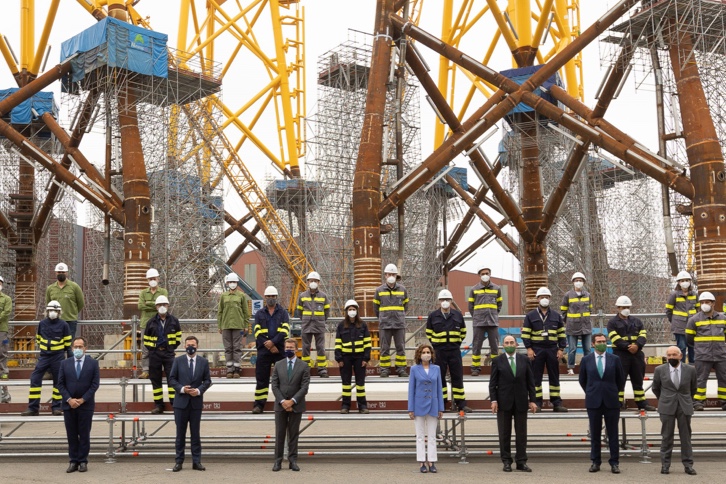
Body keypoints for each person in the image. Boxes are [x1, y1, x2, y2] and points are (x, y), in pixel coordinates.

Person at [579, 333, 626, 474]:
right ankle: (595, 461)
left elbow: (620, 379)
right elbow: (582, 380)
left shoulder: (615, 359)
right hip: (594, 401)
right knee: (595, 433)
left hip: (611, 401)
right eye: (599, 341)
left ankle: (614, 462)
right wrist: (592, 391)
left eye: (604, 341)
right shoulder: (586, 360)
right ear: (593, 344)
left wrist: (613, 392)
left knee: (613, 433)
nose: (602, 343)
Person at [489, 335, 537, 472]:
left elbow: (531, 382)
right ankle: (506, 461)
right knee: (504, 433)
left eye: (511, 342)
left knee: (521, 433)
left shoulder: (525, 360)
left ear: (516, 344)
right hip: (503, 402)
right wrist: (493, 400)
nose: (509, 344)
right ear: (503, 345)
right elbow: (492, 384)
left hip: (521, 401)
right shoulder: (497, 361)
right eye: (506, 343)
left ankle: (521, 461)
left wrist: (532, 400)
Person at [168, 335, 212, 472]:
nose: (190, 347)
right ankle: (179, 461)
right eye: (188, 345)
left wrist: (198, 391)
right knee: (180, 434)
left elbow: (207, 381)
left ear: (197, 346)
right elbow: (172, 379)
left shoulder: (203, 362)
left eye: (193, 345)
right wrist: (182, 389)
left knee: (195, 434)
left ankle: (196, 461)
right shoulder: (178, 361)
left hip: (195, 404)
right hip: (180, 403)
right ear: (184, 346)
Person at [56, 336, 100, 473]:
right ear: (72, 348)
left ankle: (83, 461)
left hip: (86, 405)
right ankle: (73, 461)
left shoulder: (93, 363)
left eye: (81, 347)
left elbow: (95, 384)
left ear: (85, 348)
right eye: (76, 347)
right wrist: (69, 399)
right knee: (72, 434)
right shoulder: (65, 363)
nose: (78, 349)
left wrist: (82, 399)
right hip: (69, 405)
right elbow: (60, 384)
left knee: (84, 434)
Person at [652, 346, 698, 475]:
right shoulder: (659, 370)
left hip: (684, 406)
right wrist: (664, 399)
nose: (671, 357)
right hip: (666, 406)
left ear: (680, 356)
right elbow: (656, 388)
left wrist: (686, 400)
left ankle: (688, 465)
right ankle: (665, 465)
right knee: (667, 437)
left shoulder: (690, 370)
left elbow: (693, 388)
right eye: (669, 355)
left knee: (686, 437)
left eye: (674, 355)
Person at [21, 300, 71, 416]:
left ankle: (56, 407)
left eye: (55, 310)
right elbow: (38, 338)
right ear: (47, 311)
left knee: (58, 382)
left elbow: (67, 344)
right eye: (50, 310)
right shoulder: (42, 323)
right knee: (35, 379)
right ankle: (33, 408)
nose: (53, 312)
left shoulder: (64, 325)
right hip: (44, 356)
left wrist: (68, 359)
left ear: (59, 312)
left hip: (58, 357)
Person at [522, 287, 568, 412]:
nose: (544, 299)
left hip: (552, 349)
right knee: (536, 377)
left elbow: (562, 334)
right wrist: (529, 349)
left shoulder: (556, 316)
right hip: (537, 349)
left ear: (550, 299)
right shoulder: (530, 316)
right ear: (537, 299)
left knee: (554, 377)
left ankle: (556, 403)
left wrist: (561, 349)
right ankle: (537, 403)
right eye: (542, 297)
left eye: (546, 297)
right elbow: (526, 334)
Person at [607, 295, 656, 411]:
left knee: (638, 380)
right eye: (623, 307)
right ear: (618, 308)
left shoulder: (637, 321)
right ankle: (618, 403)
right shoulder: (612, 322)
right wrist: (628, 347)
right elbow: (614, 338)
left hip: (637, 355)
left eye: (627, 306)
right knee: (619, 380)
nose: (626, 309)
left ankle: (641, 403)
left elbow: (643, 335)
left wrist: (637, 346)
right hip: (620, 355)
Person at [426, 289, 471, 413]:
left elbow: (463, 332)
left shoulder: (457, 315)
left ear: (451, 301)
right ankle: (442, 404)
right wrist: (436, 344)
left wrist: (455, 343)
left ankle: (461, 404)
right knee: (439, 378)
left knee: (457, 377)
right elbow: (429, 333)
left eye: (447, 300)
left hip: (454, 350)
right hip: (439, 351)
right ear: (439, 301)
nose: (445, 302)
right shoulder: (433, 316)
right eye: (442, 300)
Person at [271, 338, 310, 472]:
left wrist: (292, 401)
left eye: (291, 348)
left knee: (293, 435)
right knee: (280, 434)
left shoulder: (304, 366)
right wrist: (283, 401)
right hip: (280, 405)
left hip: (296, 405)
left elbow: (304, 387)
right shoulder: (278, 365)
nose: (289, 350)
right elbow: (274, 385)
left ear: (296, 349)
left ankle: (293, 460)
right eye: (287, 347)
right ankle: (277, 461)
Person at [685, 291, 726, 410]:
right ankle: (698, 402)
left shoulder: (723, 318)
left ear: (713, 303)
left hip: (721, 355)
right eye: (702, 302)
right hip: (702, 355)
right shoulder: (694, 320)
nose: (704, 304)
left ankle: (724, 401)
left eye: (707, 302)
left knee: (724, 379)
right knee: (700, 380)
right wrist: (700, 348)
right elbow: (689, 338)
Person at [252, 286, 290, 414]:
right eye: (269, 296)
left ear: (276, 297)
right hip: (264, 351)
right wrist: (269, 345)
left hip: (279, 351)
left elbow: (285, 331)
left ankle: (284, 402)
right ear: (265, 297)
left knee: (283, 379)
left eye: (273, 296)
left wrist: (273, 343)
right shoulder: (259, 314)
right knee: (261, 379)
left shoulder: (283, 313)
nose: (271, 299)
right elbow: (257, 332)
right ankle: (259, 405)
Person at [408, 343, 444, 473]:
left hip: (433, 405)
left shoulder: (437, 369)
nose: (426, 355)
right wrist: (410, 409)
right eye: (424, 352)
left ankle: (432, 461)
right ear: (419, 354)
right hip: (418, 406)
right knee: (420, 436)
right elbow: (411, 389)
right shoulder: (414, 369)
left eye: (428, 352)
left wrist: (441, 407)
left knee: (432, 435)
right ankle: (422, 461)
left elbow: (439, 388)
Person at [143, 295, 181, 413]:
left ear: (168, 306)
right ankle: (159, 405)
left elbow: (178, 338)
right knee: (156, 380)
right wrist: (153, 349)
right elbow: (146, 339)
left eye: (164, 305)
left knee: (172, 379)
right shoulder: (151, 322)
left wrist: (170, 348)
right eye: (160, 305)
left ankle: (174, 403)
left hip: (169, 354)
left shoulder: (174, 321)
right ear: (156, 307)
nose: (162, 307)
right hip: (155, 354)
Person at [334, 300, 371, 413]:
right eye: (350, 309)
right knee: (346, 383)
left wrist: (366, 358)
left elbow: (368, 343)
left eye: (353, 309)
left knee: (360, 383)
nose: (352, 311)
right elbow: (338, 343)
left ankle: (362, 406)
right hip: (345, 358)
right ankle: (345, 406)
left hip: (360, 358)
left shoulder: (363, 325)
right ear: (346, 311)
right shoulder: (341, 325)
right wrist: (339, 358)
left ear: (357, 311)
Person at [373, 263, 409, 377]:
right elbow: (376, 308)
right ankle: (384, 369)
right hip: (385, 324)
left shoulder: (403, 289)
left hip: (399, 324)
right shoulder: (379, 290)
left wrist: (399, 316)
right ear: (385, 275)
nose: (391, 276)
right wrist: (383, 317)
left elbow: (406, 306)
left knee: (401, 348)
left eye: (393, 274)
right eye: (389, 274)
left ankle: (401, 369)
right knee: (384, 348)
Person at [468, 266, 503, 375]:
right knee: (476, 346)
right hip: (479, 323)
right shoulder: (474, 289)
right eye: (482, 273)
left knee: (494, 347)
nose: (485, 275)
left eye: (487, 273)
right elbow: (470, 306)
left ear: (490, 274)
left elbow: (499, 304)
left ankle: (495, 368)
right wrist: (477, 316)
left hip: (492, 322)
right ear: (479, 275)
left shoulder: (497, 289)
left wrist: (493, 314)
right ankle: (475, 368)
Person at [295, 271, 330, 377]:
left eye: (315, 281)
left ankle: (322, 369)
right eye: (311, 281)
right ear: (308, 282)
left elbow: (327, 312)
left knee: (320, 347)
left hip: (319, 325)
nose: (313, 282)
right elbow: (299, 311)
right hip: (306, 325)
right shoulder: (302, 296)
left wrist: (321, 320)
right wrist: (305, 319)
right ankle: (306, 369)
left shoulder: (324, 296)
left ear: (319, 282)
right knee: (305, 347)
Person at [46, 262, 84, 358]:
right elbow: (48, 304)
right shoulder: (50, 289)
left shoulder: (74, 287)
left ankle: (71, 368)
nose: (61, 274)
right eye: (59, 272)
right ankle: (59, 368)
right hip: (55, 321)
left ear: (67, 273)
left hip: (70, 321)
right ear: (55, 273)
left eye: (63, 272)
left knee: (69, 346)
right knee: (57, 346)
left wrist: (73, 313)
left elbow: (81, 303)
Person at [137, 268, 168, 379]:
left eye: (154, 278)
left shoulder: (163, 292)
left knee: (160, 345)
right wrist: (155, 305)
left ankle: (160, 369)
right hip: (146, 323)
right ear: (147, 280)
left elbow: (164, 306)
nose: (152, 280)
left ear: (158, 279)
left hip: (159, 322)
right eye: (150, 279)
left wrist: (148, 304)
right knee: (145, 347)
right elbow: (140, 306)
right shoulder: (143, 292)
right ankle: (146, 370)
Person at [218, 273, 250, 379]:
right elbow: (220, 312)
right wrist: (219, 325)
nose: (232, 284)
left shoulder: (241, 296)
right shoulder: (223, 296)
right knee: (228, 348)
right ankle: (229, 369)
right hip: (226, 325)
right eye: (231, 282)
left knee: (237, 347)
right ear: (227, 283)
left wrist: (246, 325)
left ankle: (236, 369)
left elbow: (246, 312)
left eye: (234, 282)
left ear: (237, 283)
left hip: (239, 326)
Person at [561, 272, 592, 375]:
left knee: (587, 349)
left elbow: (590, 309)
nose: (578, 282)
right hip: (572, 326)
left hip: (586, 326)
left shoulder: (587, 295)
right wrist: (568, 322)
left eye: (580, 280)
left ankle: (588, 367)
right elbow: (563, 311)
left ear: (583, 282)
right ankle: (570, 368)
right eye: (576, 280)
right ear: (573, 282)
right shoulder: (568, 295)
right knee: (572, 349)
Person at [665, 271, 698, 364]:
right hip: (679, 326)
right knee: (682, 347)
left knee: (692, 347)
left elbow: (698, 309)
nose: (685, 282)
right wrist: (675, 322)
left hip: (692, 326)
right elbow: (668, 310)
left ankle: (693, 366)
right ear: (679, 282)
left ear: (690, 281)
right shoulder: (674, 295)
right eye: (682, 280)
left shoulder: (694, 294)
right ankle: (682, 366)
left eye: (687, 280)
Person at [0, 275, 12, 403]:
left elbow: (6, 312)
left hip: (1, 330)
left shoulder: (6, 299)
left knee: (2, 352)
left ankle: (4, 372)